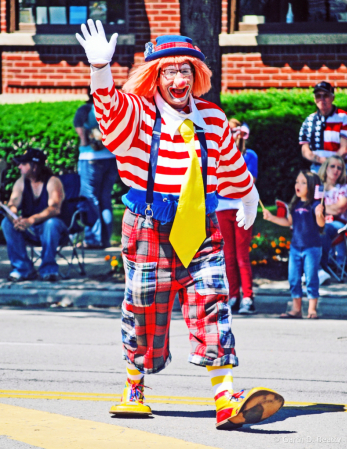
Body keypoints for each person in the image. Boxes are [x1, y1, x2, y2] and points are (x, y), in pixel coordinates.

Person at [75, 19, 284, 430]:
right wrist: (101, 70)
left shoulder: (210, 116)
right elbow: (109, 109)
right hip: (149, 224)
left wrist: (247, 195)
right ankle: (134, 386)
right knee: (143, 307)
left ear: (197, 75)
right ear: (156, 75)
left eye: (186, 69)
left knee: (213, 300)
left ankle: (226, 396)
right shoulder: (139, 111)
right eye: (169, 70)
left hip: (201, 226)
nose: (178, 77)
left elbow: (230, 163)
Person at [263, 171, 325, 319]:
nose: (298, 185)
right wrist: (271, 218)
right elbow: (288, 222)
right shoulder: (295, 204)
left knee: (311, 278)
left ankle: (312, 309)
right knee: (293, 278)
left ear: (311, 186)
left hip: (312, 248)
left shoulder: (316, 205)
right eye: (297, 182)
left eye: (303, 182)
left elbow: (321, 224)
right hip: (296, 247)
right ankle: (296, 309)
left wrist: (319, 214)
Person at [1, 148, 67, 282]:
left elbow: (54, 209)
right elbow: (13, 204)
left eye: (23, 164)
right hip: (29, 228)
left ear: (35, 166)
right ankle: (22, 269)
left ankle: (49, 270)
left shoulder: (53, 181)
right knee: (6, 224)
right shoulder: (21, 182)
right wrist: (14, 217)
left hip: (50, 228)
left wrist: (31, 220)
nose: (19, 166)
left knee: (51, 223)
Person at [216, 119, 258, 315]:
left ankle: (248, 297)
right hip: (222, 206)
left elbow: (249, 182)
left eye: (235, 132)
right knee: (228, 255)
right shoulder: (219, 155)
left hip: (242, 206)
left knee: (242, 255)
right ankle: (233, 296)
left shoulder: (250, 156)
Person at [74, 86, 118, 248]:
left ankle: (93, 240)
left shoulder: (86, 108)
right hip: (111, 158)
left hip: (90, 158)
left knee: (90, 198)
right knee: (105, 198)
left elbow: (79, 128)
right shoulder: (112, 109)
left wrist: (84, 142)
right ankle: (105, 239)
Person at [299, 81, 347, 176]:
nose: (321, 99)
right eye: (318, 96)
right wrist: (319, 160)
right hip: (317, 169)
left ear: (332, 98)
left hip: (340, 168)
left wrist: (329, 164)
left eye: (325, 95)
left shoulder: (344, 117)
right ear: (314, 99)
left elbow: (344, 149)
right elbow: (305, 149)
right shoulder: (309, 120)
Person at [318, 155, 347, 273]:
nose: (336, 170)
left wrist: (319, 208)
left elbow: (339, 210)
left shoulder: (344, 188)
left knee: (324, 228)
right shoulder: (317, 187)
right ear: (325, 168)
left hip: (338, 223)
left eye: (339, 168)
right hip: (318, 221)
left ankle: (321, 266)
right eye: (332, 166)